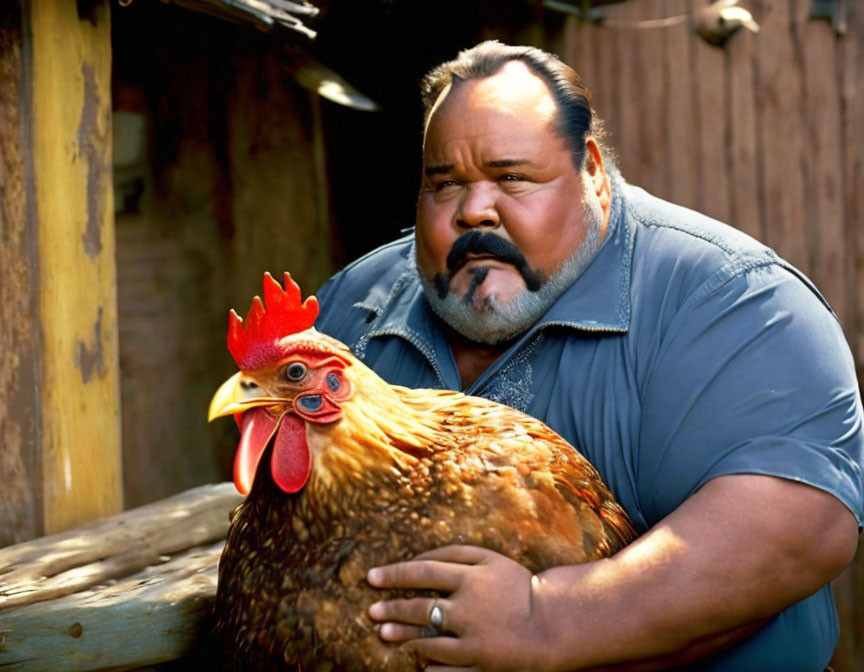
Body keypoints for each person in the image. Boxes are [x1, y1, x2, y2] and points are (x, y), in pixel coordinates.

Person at [313, 41, 863, 671]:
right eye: (446, 184)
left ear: (593, 172)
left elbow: (798, 527)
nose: (474, 209)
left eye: (512, 176)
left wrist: (546, 619)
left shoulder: (731, 299)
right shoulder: (354, 306)